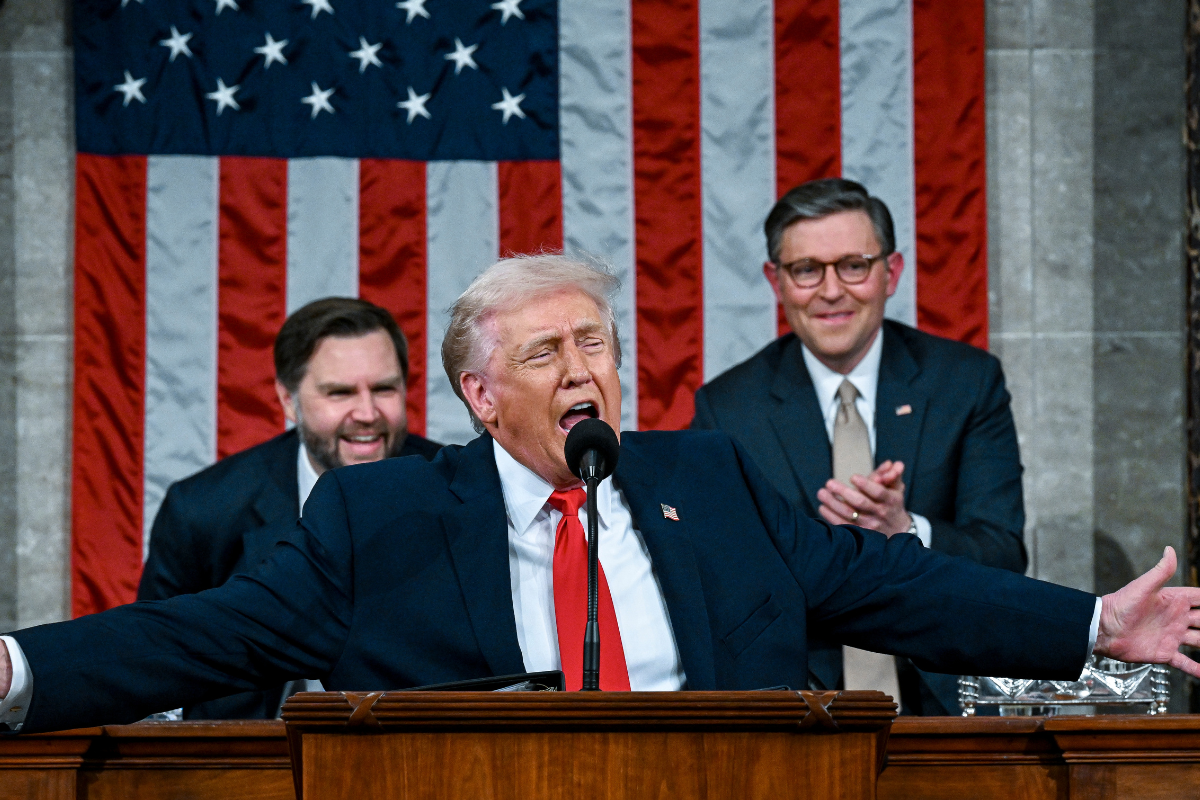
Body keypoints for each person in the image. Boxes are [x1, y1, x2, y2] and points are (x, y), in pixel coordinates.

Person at [2, 254, 1199, 735]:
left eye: (598, 344)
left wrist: (1092, 623)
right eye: (545, 355)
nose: (583, 371)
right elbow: (205, 631)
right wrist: (17, 670)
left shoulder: (708, 477)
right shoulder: (388, 516)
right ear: (479, 396)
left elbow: (889, 587)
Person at [691, 179, 1022, 714]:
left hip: (945, 701)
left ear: (891, 272)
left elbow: (1004, 554)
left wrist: (906, 531)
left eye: (853, 265)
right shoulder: (727, 409)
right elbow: (714, 581)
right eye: (807, 270)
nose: (830, 291)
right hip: (797, 706)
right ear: (775, 281)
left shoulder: (966, 384)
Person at [137, 297, 441, 719]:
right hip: (251, 762)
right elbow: (154, 663)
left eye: (385, 388)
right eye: (340, 393)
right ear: (287, 399)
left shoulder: (459, 492)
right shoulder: (203, 510)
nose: (368, 413)